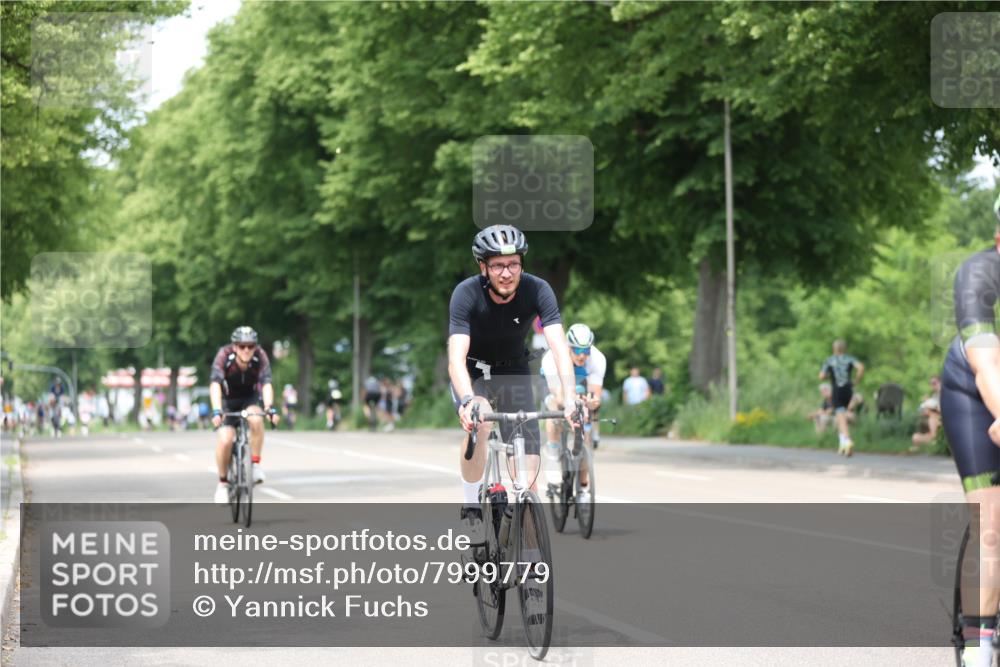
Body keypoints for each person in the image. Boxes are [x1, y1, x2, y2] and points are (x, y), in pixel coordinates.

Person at [448, 224, 579, 535]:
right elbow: (455, 358)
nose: (506, 273)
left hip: (513, 369)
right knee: (480, 419)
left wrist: (571, 397)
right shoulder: (465, 293)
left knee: (528, 475)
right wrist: (467, 402)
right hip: (474, 370)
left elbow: (560, 348)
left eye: (513, 264)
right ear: (483, 267)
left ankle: (528, 549)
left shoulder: (538, 290)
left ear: (522, 263)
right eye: (497, 265)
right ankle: (472, 512)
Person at [941, 194, 1000, 667]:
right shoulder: (980, 273)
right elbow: (987, 363)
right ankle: (982, 648)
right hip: (975, 395)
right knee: (991, 523)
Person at [209, 326, 279, 503]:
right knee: (225, 439)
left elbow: (267, 383)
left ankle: (255, 465)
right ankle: (223, 483)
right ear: (234, 347)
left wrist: (270, 408)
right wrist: (217, 410)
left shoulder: (260, 356)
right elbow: (215, 384)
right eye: (242, 346)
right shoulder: (224, 355)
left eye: (250, 346)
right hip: (228, 400)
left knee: (256, 419)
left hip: (250, 399)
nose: (246, 350)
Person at [539, 323, 605, 500]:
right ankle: (553, 452)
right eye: (577, 350)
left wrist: (591, 402)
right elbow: (560, 397)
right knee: (555, 408)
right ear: (568, 346)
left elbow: (595, 395)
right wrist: (571, 401)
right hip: (557, 388)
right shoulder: (552, 357)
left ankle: (583, 489)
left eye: (586, 350)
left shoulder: (598, 359)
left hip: (581, 388)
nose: (582, 355)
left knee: (587, 436)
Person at [818, 340, 865, 456]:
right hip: (848, 389)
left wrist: (829, 375)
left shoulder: (830, 360)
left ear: (834, 349)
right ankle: (842, 444)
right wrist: (856, 380)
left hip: (837, 389)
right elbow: (860, 367)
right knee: (841, 416)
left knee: (841, 415)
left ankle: (847, 440)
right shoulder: (849, 359)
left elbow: (821, 376)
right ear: (844, 349)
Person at [911, 375, 941, 450]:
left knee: (932, 417)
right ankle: (932, 440)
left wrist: (932, 407)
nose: (932, 386)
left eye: (934, 383)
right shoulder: (934, 395)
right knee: (915, 437)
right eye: (931, 384)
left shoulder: (946, 394)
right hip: (931, 420)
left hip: (940, 419)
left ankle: (934, 438)